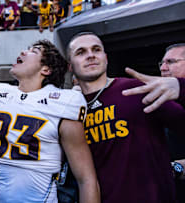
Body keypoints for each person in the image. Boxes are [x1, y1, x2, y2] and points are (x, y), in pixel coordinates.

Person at [0, 40, 100, 202]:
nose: (23, 52)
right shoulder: (1, 93)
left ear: (46, 69)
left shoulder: (63, 101)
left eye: (33, 51)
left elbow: (86, 178)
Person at [66, 31, 185, 203]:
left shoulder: (135, 90)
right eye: (81, 52)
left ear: (105, 58)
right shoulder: (70, 109)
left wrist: (181, 89)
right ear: (70, 66)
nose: (90, 55)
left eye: (96, 49)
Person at [157, 43, 185, 202]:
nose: (163, 68)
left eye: (171, 62)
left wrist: (174, 168)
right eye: (162, 63)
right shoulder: (157, 102)